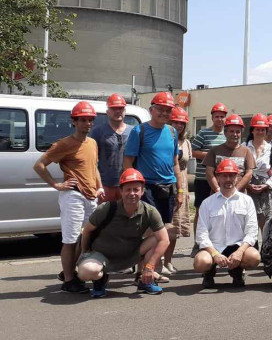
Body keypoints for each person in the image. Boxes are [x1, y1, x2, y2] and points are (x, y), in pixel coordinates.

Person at [32, 101, 102, 294]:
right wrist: (57, 185)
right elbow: (39, 165)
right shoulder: (64, 144)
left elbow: (94, 167)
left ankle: (68, 272)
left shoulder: (92, 143)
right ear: (74, 121)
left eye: (90, 120)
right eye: (83, 120)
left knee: (87, 237)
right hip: (73, 196)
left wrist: (100, 187)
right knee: (70, 240)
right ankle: (69, 281)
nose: (87, 123)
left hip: (90, 197)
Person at [76, 168, 170, 297]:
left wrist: (150, 266)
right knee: (86, 272)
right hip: (102, 256)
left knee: (157, 238)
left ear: (142, 191)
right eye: (128, 189)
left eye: (136, 189)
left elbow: (165, 240)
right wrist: (84, 252)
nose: (132, 193)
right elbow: (87, 231)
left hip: (131, 255)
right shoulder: (106, 208)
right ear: (121, 191)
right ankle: (100, 280)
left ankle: (144, 279)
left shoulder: (150, 211)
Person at [123, 92, 183, 279]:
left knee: (164, 230)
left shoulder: (172, 132)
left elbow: (175, 163)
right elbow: (128, 162)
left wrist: (180, 190)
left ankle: (152, 269)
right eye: (160, 109)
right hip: (147, 187)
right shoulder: (139, 131)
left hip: (168, 187)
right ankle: (143, 271)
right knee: (149, 231)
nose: (164, 113)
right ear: (151, 110)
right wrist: (134, 188)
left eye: (168, 110)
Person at [194, 159, 261, 288]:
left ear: (237, 177)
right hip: (214, 247)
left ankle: (237, 270)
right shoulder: (207, 203)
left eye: (231, 175)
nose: (228, 179)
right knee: (201, 262)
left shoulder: (247, 201)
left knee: (254, 258)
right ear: (217, 177)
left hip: (237, 246)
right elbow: (201, 234)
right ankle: (209, 272)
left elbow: (252, 232)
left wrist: (240, 252)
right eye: (224, 176)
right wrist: (215, 254)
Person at [190, 102, 228, 256]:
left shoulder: (228, 135)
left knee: (219, 212)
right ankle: (197, 243)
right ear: (212, 117)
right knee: (201, 211)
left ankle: (216, 243)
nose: (219, 119)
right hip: (202, 179)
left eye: (222, 116)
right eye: (217, 116)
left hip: (221, 180)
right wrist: (211, 156)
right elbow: (192, 151)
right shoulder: (204, 133)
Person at [164, 107, 192, 274]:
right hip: (167, 184)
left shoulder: (186, 143)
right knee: (162, 226)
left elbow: (185, 168)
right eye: (175, 122)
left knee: (175, 228)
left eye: (182, 123)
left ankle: (168, 261)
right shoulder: (164, 139)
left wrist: (184, 191)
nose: (179, 125)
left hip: (182, 186)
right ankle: (156, 261)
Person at [89, 93, 129, 203]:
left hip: (126, 184)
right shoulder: (98, 131)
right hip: (105, 184)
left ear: (125, 111)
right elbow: (92, 159)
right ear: (107, 112)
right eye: (114, 108)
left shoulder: (134, 131)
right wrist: (98, 185)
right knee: (104, 212)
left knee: (125, 213)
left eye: (121, 108)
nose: (118, 111)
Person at [203, 114, 256, 195]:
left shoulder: (246, 151)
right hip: (218, 196)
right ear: (225, 132)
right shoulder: (214, 151)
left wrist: (236, 191)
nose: (235, 134)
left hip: (239, 196)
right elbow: (209, 173)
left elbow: (249, 174)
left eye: (238, 132)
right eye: (231, 131)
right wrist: (217, 190)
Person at [244, 114, 272, 232]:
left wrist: (266, 185)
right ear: (252, 130)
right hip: (246, 187)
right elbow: (239, 168)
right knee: (249, 220)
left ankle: (265, 243)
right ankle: (250, 243)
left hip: (265, 189)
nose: (260, 132)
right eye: (257, 129)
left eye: (263, 129)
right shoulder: (244, 147)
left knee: (266, 222)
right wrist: (247, 185)